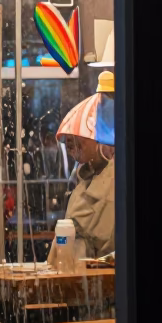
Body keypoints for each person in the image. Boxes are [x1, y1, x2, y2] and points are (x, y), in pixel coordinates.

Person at [51, 70, 115, 261]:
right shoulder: (83, 181)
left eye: (77, 140)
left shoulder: (112, 182)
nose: (71, 146)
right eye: (69, 142)